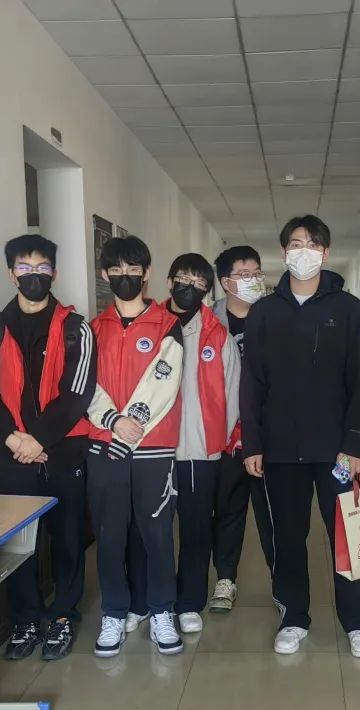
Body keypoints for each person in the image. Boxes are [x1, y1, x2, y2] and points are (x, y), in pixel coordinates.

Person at [240, 214, 360, 658]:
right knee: (288, 538)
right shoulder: (264, 312)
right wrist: (253, 443)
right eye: (297, 244)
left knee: (347, 535)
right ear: (284, 253)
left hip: (336, 450)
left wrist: (355, 443)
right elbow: (251, 383)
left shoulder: (347, 308)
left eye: (313, 244)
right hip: (280, 449)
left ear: (325, 252)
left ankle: (357, 622)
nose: (305, 251)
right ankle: (293, 617)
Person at [0, 234, 96, 662]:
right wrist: (15, 440)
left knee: (67, 539)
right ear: (11, 274)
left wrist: (38, 439)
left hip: (63, 454)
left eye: (41, 268)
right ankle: (24, 619)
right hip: (11, 457)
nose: (33, 276)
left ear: (53, 273)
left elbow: (77, 394)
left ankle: (63, 616)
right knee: (18, 544)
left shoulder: (76, 328)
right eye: (24, 268)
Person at [126, 253, 240, 634]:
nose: (189, 287)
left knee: (196, 528)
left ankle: (189, 600)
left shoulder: (217, 335)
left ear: (207, 290)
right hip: (150, 449)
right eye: (183, 278)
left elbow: (232, 392)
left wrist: (215, 442)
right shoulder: (148, 324)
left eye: (199, 282)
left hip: (198, 451)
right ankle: (144, 601)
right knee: (147, 529)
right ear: (169, 280)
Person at [84, 235, 184, 658]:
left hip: (152, 449)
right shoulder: (92, 329)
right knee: (109, 535)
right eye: (116, 270)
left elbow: (164, 381)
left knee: (156, 533)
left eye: (133, 270)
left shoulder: (166, 324)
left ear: (146, 274)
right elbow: (84, 385)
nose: (125, 277)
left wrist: (131, 427)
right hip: (104, 446)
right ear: (104, 274)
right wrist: (112, 421)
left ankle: (162, 611)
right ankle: (114, 612)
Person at [208, 245, 273, 612]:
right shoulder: (207, 322)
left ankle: (282, 581)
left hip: (270, 433)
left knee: (273, 513)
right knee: (229, 509)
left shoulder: (275, 315)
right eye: (243, 274)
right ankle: (226, 579)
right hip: (226, 435)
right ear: (225, 282)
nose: (252, 280)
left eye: (256, 273)